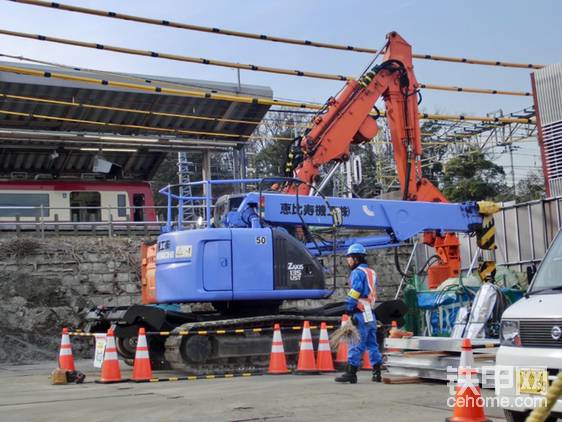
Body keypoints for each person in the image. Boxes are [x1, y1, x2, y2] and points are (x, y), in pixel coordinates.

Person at [335, 243, 383, 384]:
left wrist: (349, 308)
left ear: (356, 258)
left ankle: (351, 373)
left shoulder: (357, 272)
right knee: (372, 344)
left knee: (355, 341)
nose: (348, 260)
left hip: (359, 311)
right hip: (370, 313)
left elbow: (355, 290)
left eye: (349, 257)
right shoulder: (372, 272)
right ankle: (377, 373)